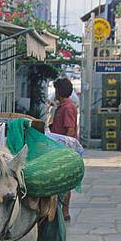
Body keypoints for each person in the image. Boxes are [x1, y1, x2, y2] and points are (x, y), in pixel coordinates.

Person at [51, 77, 78, 222]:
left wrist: (64, 151)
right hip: (59, 148)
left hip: (63, 150)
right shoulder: (62, 106)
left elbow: (70, 130)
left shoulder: (67, 108)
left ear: (59, 91)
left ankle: (64, 210)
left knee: (64, 182)